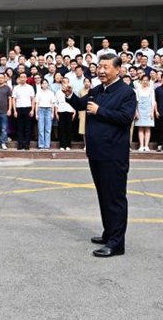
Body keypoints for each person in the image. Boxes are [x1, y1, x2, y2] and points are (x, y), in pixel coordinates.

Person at [62, 54, 137, 258]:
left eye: (105, 67)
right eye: (99, 67)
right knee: (103, 196)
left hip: (113, 154)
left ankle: (117, 243)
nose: (101, 71)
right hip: (96, 153)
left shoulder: (127, 92)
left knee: (115, 198)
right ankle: (108, 233)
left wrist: (100, 110)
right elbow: (81, 105)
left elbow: (125, 118)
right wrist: (70, 95)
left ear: (118, 69)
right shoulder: (97, 89)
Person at [12, 72, 35, 150]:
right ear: (19, 78)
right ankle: (20, 144)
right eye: (21, 77)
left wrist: (32, 110)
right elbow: (13, 99)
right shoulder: (16, 88)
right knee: (19, 127)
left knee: (27, 128)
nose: (22, 78)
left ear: (26, 78)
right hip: (19, 108)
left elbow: (33, 99)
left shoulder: (30, 87)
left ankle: (26, 144)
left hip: (28, 108)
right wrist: (14, 111)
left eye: (24, 77)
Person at [34, 78, 57, 150]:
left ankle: (47, 145)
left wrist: (52, 113)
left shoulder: (51, 93)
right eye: (43, 83)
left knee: (48, 129)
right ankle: (41, 144)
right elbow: (36, 103)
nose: (44, 84)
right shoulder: (38, 93)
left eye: (46, 83)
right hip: (40, 110)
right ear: (41, 85)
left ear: (48, 84)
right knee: (40, 128)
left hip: (48, 110)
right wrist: (36, 114)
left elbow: (52, 103)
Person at [134, 75, 155, 152]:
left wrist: (152, 112)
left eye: (147, 80)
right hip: (140, 110)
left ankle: (146, 146)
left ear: (149, 81)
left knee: (147, 128)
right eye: (143, 80)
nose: (145, 81)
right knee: (140, 128)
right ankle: (141, 145)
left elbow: (153, 102)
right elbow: (136, 102)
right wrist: (136, 112)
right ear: (141, 81)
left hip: (148, 110)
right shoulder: (137, 90)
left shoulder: (151, 90)